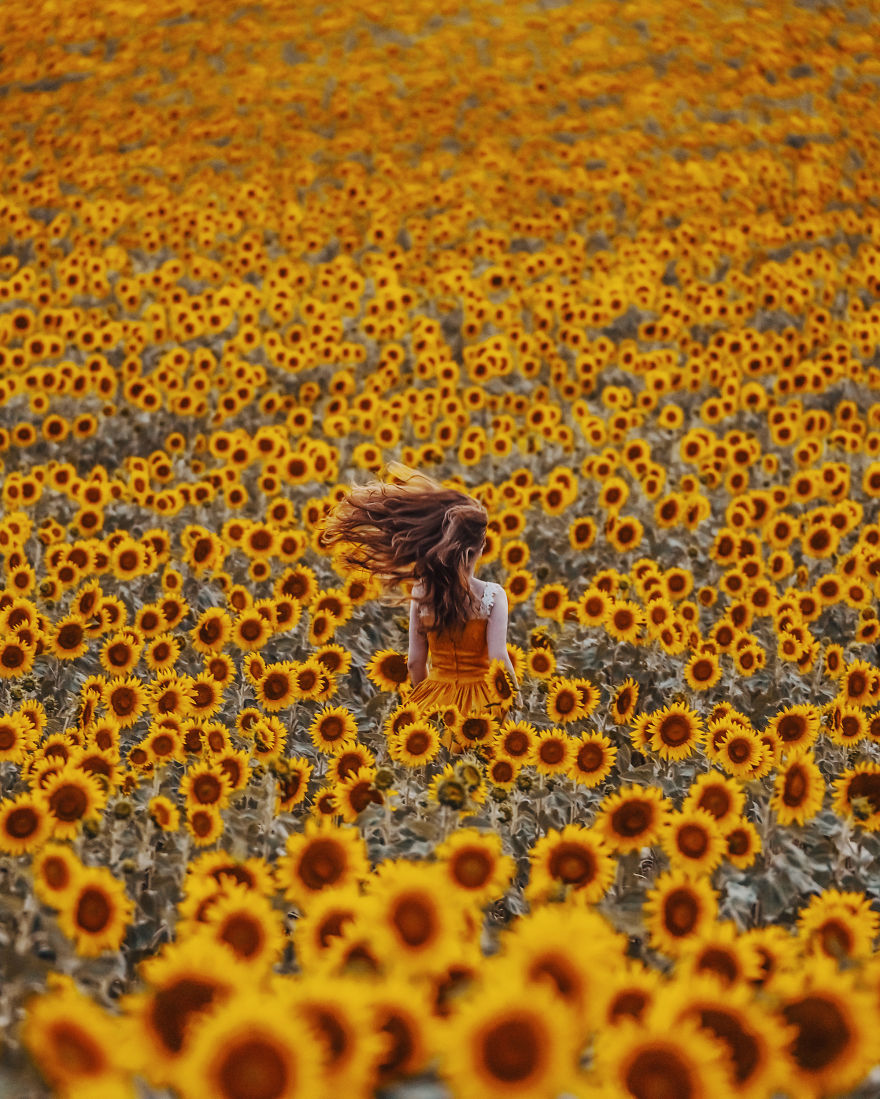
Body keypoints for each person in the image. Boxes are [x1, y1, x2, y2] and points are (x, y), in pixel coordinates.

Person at [317, 461, 522, 747]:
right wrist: (516, 699)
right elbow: (498, 657)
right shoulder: (493, 596)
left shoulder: (423, 592)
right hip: (482, 706)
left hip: (435, 702)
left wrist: (427, 698)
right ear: (481, 547)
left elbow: (415, 662)